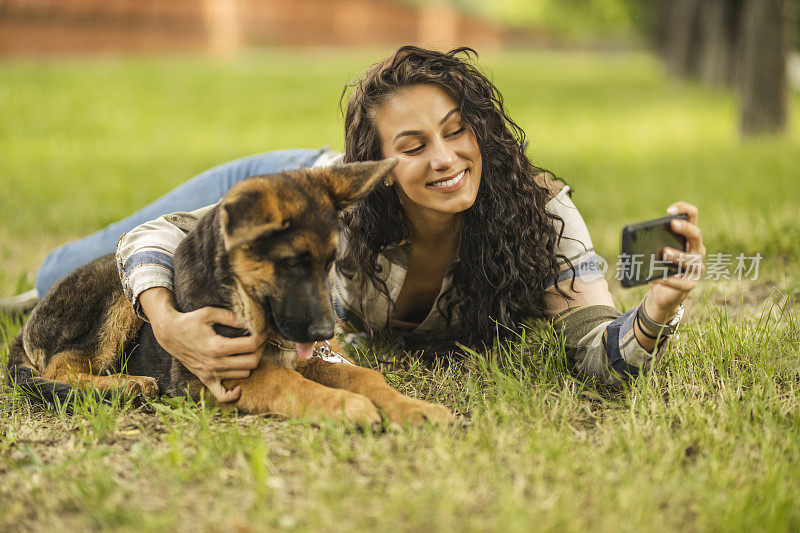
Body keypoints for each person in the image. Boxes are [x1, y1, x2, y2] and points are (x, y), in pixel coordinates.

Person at [2, 46, 706, 403]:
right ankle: (31, 301)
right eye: (412, 146)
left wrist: (654, 312)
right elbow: (155, 240)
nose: (447, 158)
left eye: (458, 131)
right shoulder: (338, 200)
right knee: (61, 275)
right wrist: (163, 320)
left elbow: (597, 352)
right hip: (279, 183)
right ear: (374, 162)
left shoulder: (541, 215)